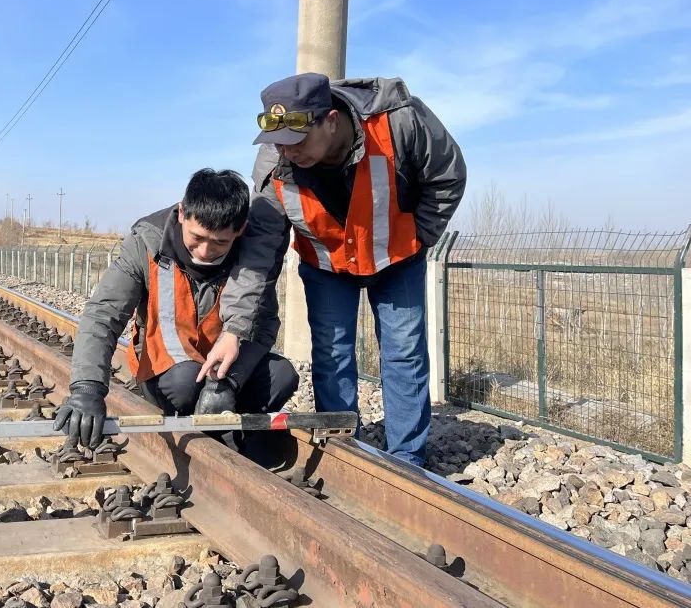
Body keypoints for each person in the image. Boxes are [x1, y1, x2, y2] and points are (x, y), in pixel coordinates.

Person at [201, 75, 466, 467]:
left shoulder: (398, 121)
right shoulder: (275, 164)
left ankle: (407, 458)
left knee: (404, 353)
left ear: (329, 120)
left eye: (298, 141)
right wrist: (235, 329)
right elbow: (259, 254)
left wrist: (419, 235)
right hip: (325, 265)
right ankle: (343, 446)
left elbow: (447, 175)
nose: (288, 153)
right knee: (332, 353)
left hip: (397, 260)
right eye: (279, 144)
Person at [53, 168, 299, 450]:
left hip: (223, 369)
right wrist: (87, 389)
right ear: (182, 214)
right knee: (185, 383)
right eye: (197, 237)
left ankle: (224, 430)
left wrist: (229, 381)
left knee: (281, 376)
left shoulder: (252, 255)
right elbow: (102, 315)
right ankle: (208, 432)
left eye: (220, 242)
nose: (205, 251)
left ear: (240, 230)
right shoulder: (146, 243)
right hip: (167, 371)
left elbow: (263, 325)